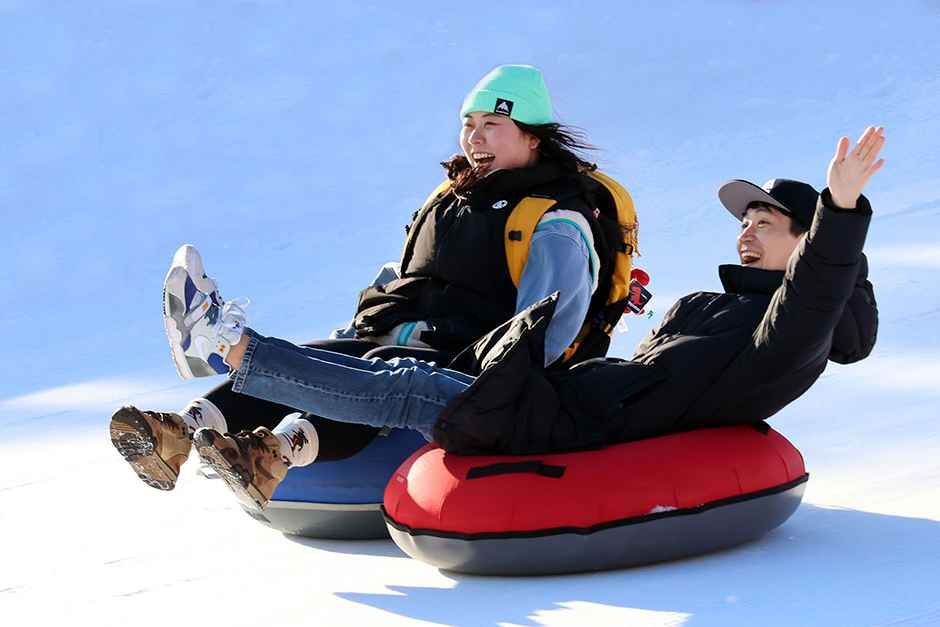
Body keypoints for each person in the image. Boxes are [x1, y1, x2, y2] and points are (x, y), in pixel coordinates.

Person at [141, 126, 882, 511]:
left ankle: (227, 347)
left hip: (575, 425)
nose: (746, 229)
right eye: (745, 217)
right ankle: (232, 359)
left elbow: (814, 296)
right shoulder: (717, 306)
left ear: (811, 246)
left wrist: (841, 211)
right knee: (401, 372)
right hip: (571, 400)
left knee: (408, 385)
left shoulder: (786, 339)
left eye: (768, 221)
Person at [110, 64, 634, 492]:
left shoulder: (556, 222)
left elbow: (548, 328)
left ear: (533, 138)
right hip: (407, 335)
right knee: (322, 355)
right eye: (468, 124)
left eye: (491, 126)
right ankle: (180, 432)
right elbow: (409, 278)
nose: (474, 139)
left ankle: (275, 451)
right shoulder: (452, 198)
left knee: (379, 372)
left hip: (464, 365)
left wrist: (491, 395)